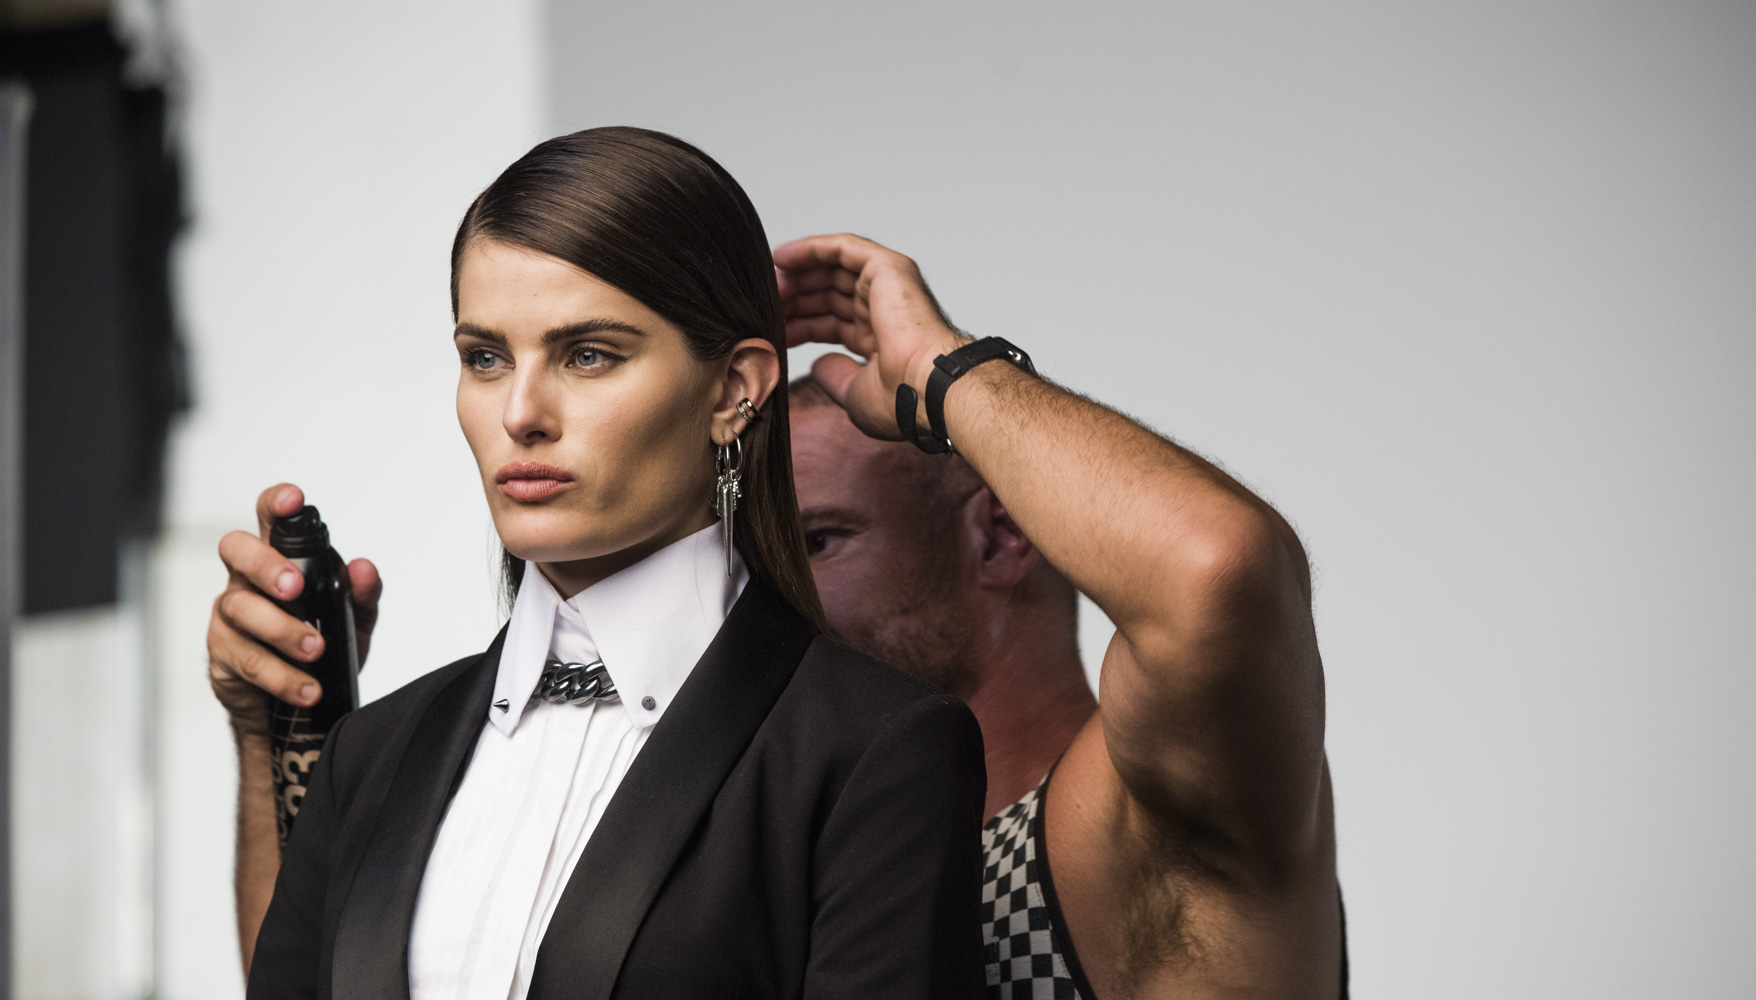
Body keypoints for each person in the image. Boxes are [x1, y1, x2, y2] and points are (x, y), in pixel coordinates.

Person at [213, 228, 1346, 995]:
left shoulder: (1124, 837)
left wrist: (948, 376)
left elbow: (1217, 574)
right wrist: (289, 735)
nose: (763, 582)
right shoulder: (749, 809)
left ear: (1000, 535)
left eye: (817, 540)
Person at [212, 130, 986, 1000]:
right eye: (485, 358)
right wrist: (276, 729)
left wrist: (959, 379)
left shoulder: (875, 748)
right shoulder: (371, 752)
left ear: (734, 389)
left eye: (588, 355)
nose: (520, 413)